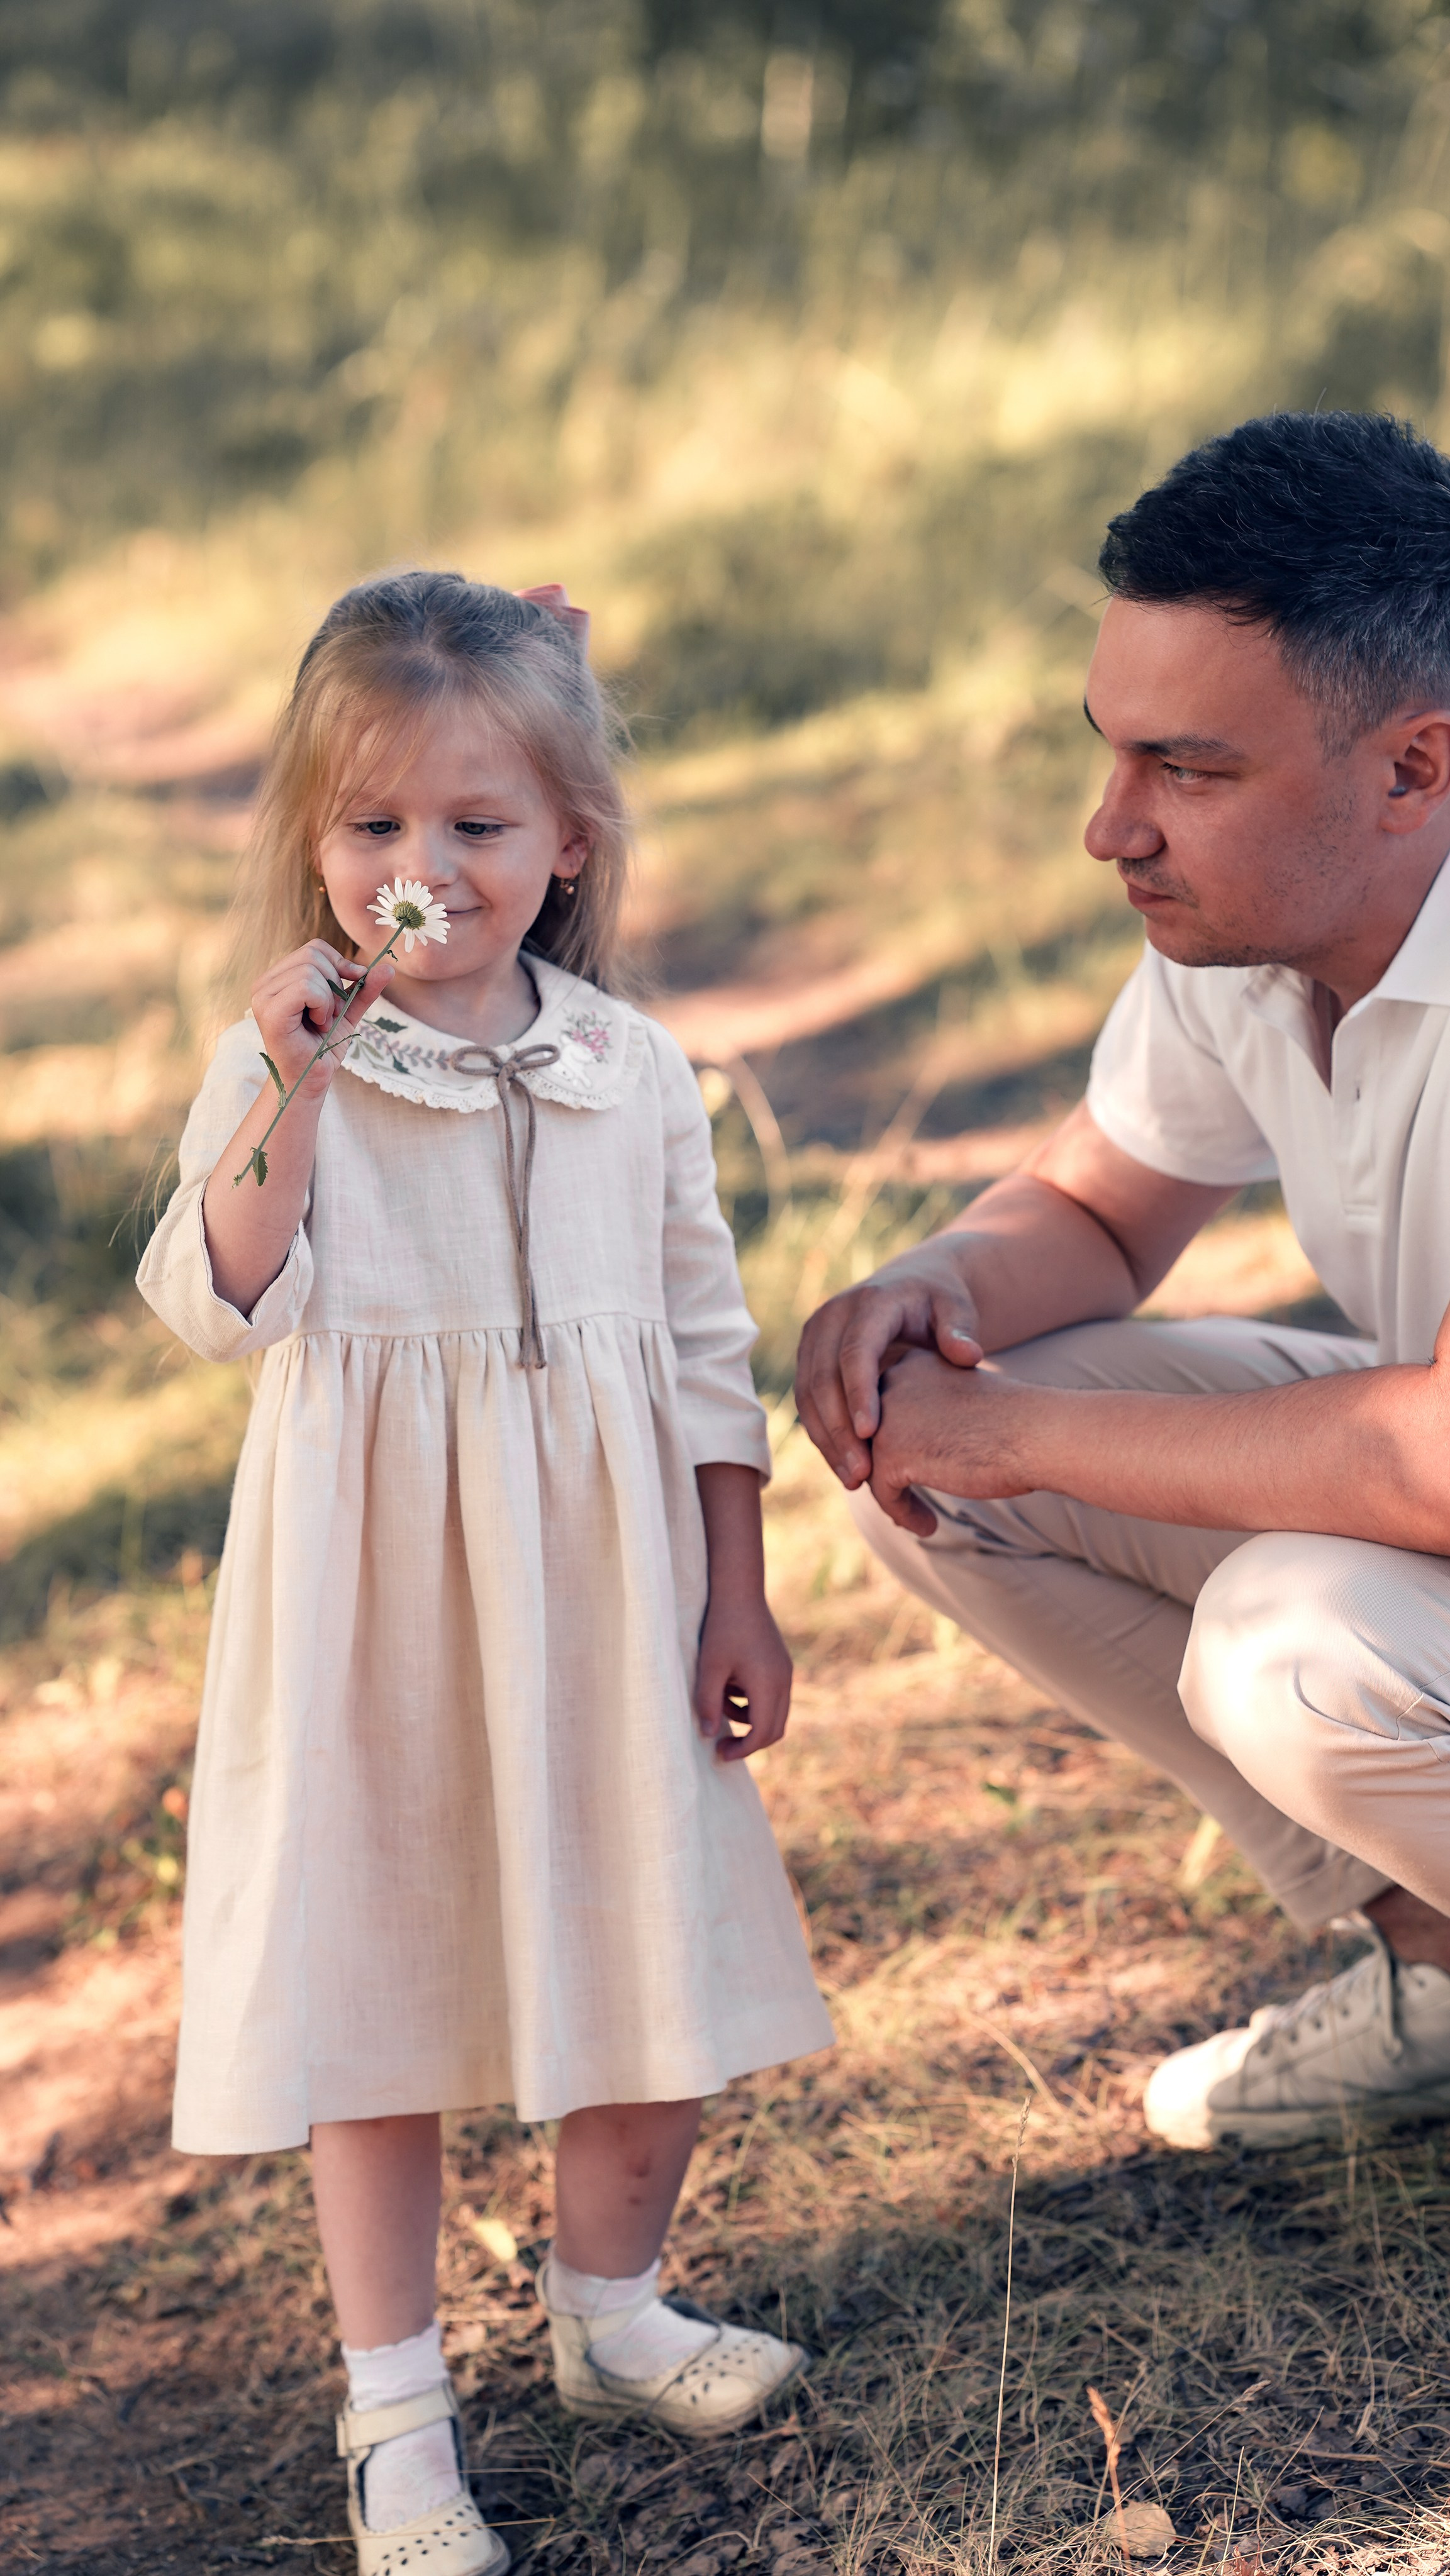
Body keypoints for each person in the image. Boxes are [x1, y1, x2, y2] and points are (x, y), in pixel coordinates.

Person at [138, 572, 832, 2576]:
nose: (416, 871)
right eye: (371, 830)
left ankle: (610, 2315)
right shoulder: (290, 1059)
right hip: (377, 1608)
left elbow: (707, 1349)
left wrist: (737, 1587)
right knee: (383, 1987)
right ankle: (396, 2419)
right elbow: (217, 1304)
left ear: (564, 847)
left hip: (607, 1588)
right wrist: (287, 1080)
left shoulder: (634, 1069)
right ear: (314, 842)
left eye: (471, 826)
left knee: (650, 1959)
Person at [795, 410, 1450, 2158]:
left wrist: (1020, 1427)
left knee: (1294, 1647)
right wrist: (923, 1296)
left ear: (1415, 767)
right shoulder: (1258, 930)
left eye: (1187, 770)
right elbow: (1095, 1204)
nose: (1112, 830)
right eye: (1113, 756)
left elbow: (1441, 1461)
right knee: (917, 1463)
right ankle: (1433, 1971)